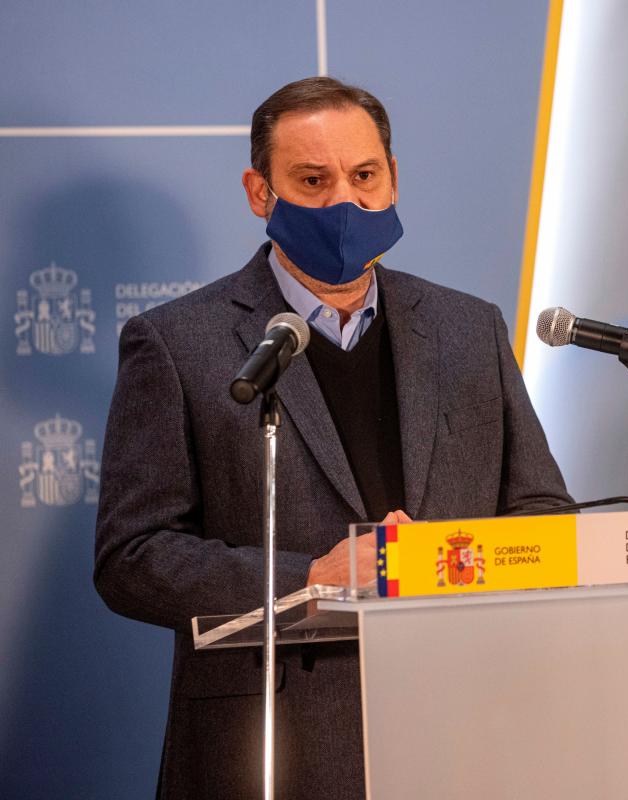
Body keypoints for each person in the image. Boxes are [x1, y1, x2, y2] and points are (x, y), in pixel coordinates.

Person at [94, 77, 571, 799]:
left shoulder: (469, 328)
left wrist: (445, 561)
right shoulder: (176, 343)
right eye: (313, 181)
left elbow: (545, 517)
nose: (345, 201)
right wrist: (313, 579)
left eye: (365, 176)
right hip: (273, 746)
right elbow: (132, 557)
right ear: (260, 192)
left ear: (393, 178)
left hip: (461, 728)